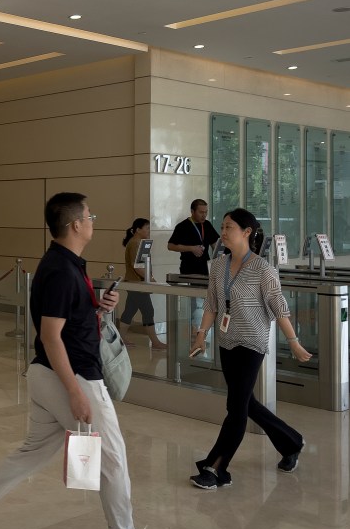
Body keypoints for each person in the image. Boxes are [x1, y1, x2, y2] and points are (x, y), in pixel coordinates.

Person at [0, 193, 175, 529]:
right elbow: (51, 337)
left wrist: (98, 306)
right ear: (75, 225)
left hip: (48, 376)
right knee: (113, 461)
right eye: (89, 215)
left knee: (31, 454)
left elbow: (65, 324)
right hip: (72, 377)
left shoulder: (66, 265)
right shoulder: (61, 270)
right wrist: (75, 394)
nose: (93, 220)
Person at [188, 208, 312, 490]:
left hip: (252, 343)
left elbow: (279, 309)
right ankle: (292, 442)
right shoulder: (218, 265)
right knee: (245, 403)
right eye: (223, 226)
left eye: (229, 226)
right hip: (226, 340)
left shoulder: (263, 269)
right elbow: (212, 304)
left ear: (247, 232)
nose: (224, 230)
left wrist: (293, 342)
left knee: (235, 406)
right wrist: (201, 335)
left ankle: (216, 468)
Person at [120, 218, 167, 350]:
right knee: (147, 311)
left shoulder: (138, 243)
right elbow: (138, 266)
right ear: (138, 230)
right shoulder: (135, 243)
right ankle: (155, 342)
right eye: (146, 228)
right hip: (137, 284)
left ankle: (121, 338)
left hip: (137, 283)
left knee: (130, 311)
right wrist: (150, 279)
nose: (148, 230)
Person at [167, 199, 220, 275]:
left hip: (205, 267)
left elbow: (215, 245)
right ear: (192, 211)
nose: (204, 215)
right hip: (189, 268)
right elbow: (170, 246)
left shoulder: (207, 225)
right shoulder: (182, 226)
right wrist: (192, 248)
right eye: (201, 212)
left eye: (206, 212)